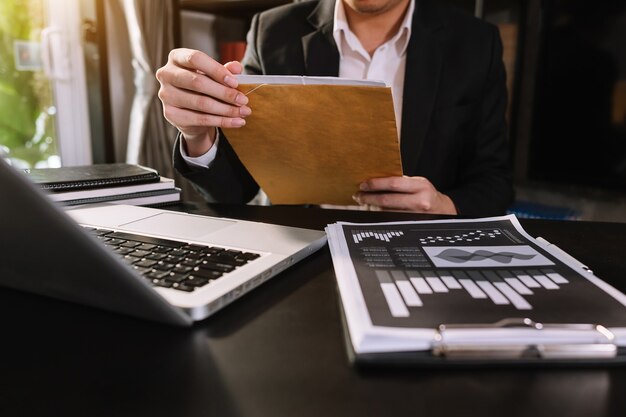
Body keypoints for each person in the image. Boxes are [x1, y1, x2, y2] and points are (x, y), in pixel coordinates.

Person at [156, 0, 514, 216]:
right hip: (300, 247)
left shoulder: (475, 42)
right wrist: (198, 133)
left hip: (418, 243)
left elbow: (494, 181)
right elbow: (236, 191)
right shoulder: (272, 31)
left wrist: (442, 205)